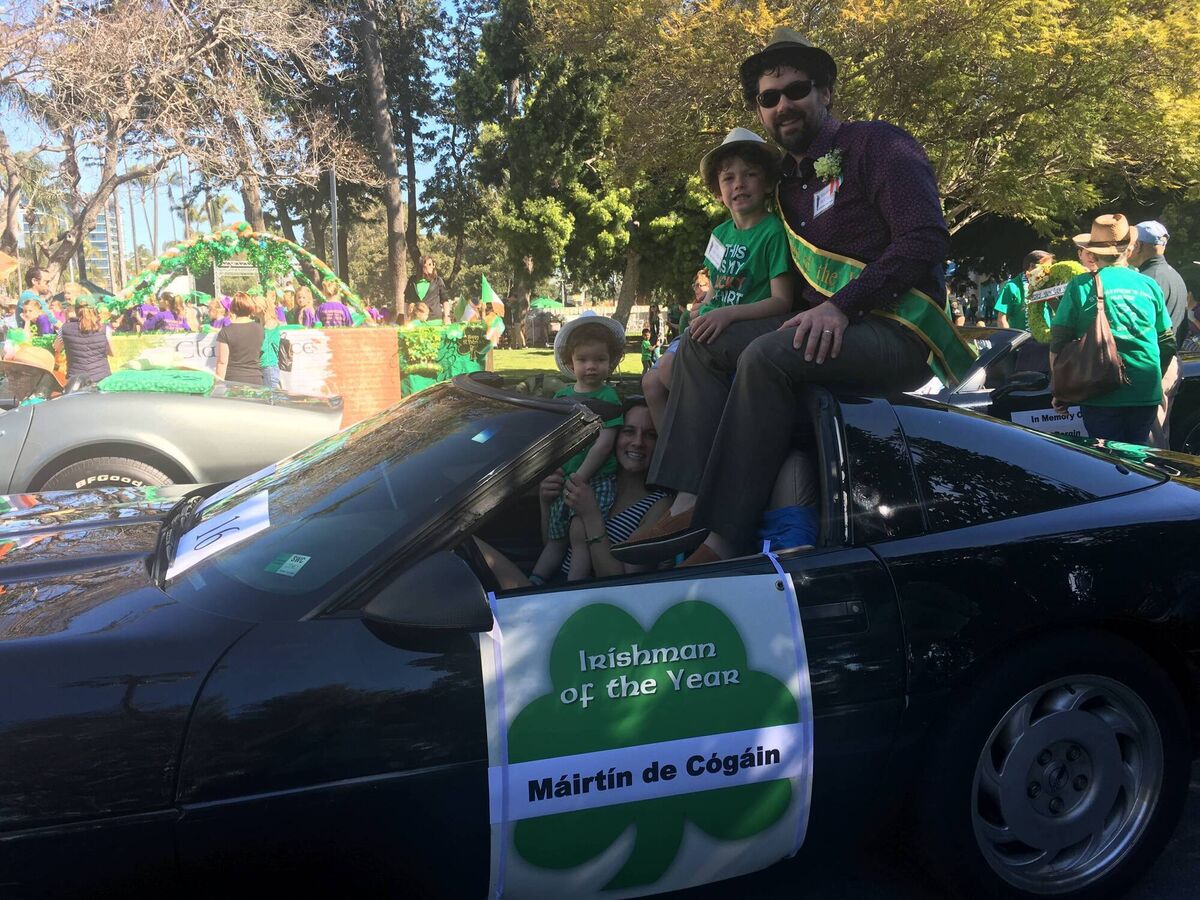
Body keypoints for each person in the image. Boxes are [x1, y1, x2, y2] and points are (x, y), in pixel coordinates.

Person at [617, 28, 974, 566]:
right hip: (827, 330)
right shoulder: (786, 187)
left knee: (766, 354)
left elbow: (925, 240)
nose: (783, 104)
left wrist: (840, 305)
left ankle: (721, 538)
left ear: (825, 91)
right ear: (760, 112)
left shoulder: (879, 145)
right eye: (769, 97)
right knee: (699, 343)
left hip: (895, 332)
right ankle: (686, 499)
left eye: (796, 89)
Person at [642, 127, 794, 430]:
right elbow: (716, 287)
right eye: (728, 178)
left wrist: (727, 314)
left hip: (740, 330)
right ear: (718, 192)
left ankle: (712, 437)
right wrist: (702, 307)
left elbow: (782, 300)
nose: (739, 184)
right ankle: (668, 456)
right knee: (650, 383)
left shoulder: (773, 232)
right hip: (709, 324)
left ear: (766, 183)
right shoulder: (719, 235)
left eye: (750, 174)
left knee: (670, 368)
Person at [476, 397, 673, 590]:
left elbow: (621, 584)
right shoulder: (596, 481)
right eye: (628, 431)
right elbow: (555, 545)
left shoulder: (659, 505)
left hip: (585, 602)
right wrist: (547, 503)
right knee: (468, 545)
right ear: (615, 436)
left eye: (651, 435)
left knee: (469, 545)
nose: (638, 442)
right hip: (552, 582)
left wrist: (591, 516)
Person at [1050, 214, 1175, 445]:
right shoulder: (1149, 285)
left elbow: (1059, 341)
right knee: (1138, 460)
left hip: (1099, 390)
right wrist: (1153, 376)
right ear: (1129, 248)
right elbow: (1167, 341)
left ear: (1092, 252)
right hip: (1145, 392)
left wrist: (1060, 390)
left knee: (1109, 464)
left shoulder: (1080, 285)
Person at [530, 314, 625, 583]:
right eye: (583, 360)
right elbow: (555, 439)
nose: (591, 366)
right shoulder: (563, 397)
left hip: (593, 479)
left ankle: (572, 588)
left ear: (610, 362)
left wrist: (581, 475)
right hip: (567, 477)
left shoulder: (608, 398)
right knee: (556, 535)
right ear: (571, 362)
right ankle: (536, 579)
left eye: (599, 360)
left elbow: (605, 442)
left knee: (578, 532)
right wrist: (556, 467)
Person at [1128, 221, 1188, 448]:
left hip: (1154, 365)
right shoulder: (1173, 275)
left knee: (1149, 439)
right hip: (1170, 362)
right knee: (1160, 432)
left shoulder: (1147, 280)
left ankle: (1157, 482)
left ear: (1140, 245)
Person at [54, 299, 112, 386]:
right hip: (101, 377)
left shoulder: (64, 328)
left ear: (76, 311)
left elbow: (56, 348)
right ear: (94, 311)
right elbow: (112, 353)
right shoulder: (104, 328)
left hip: (76, 379)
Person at [215, 292, 266, 385]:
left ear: (233, 308)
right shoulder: (260, 329)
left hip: (233, 380)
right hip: (255, 378)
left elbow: (222, 362)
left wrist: (218, 384)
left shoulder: (225, 332)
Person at [995, 251, 1053, 331]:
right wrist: (1011, 340)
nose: (1048, 272)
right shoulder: (1012, 287)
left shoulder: (1048, 284)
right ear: (1032, 266)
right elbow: (1002, 320)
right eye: (1045, 268)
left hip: (1046, 339)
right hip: (1021, 341)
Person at [405, 256, 448, 322]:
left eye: (433, 264)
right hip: (416, 320)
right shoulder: (412, 280)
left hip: (434, 319)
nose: (432, 266)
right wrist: (406, 318)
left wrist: (446, 316)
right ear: (422, 266)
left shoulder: (438, 280)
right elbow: (407, 300)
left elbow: (445, 300)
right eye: (429, 264)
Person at [256, 294, 283, 389]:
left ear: (261, 308)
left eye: (254, 305)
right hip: (265, 365)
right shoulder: (262, 322)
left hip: (268, 365)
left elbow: (263, 346)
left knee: (271, 398)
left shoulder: (269, 323)